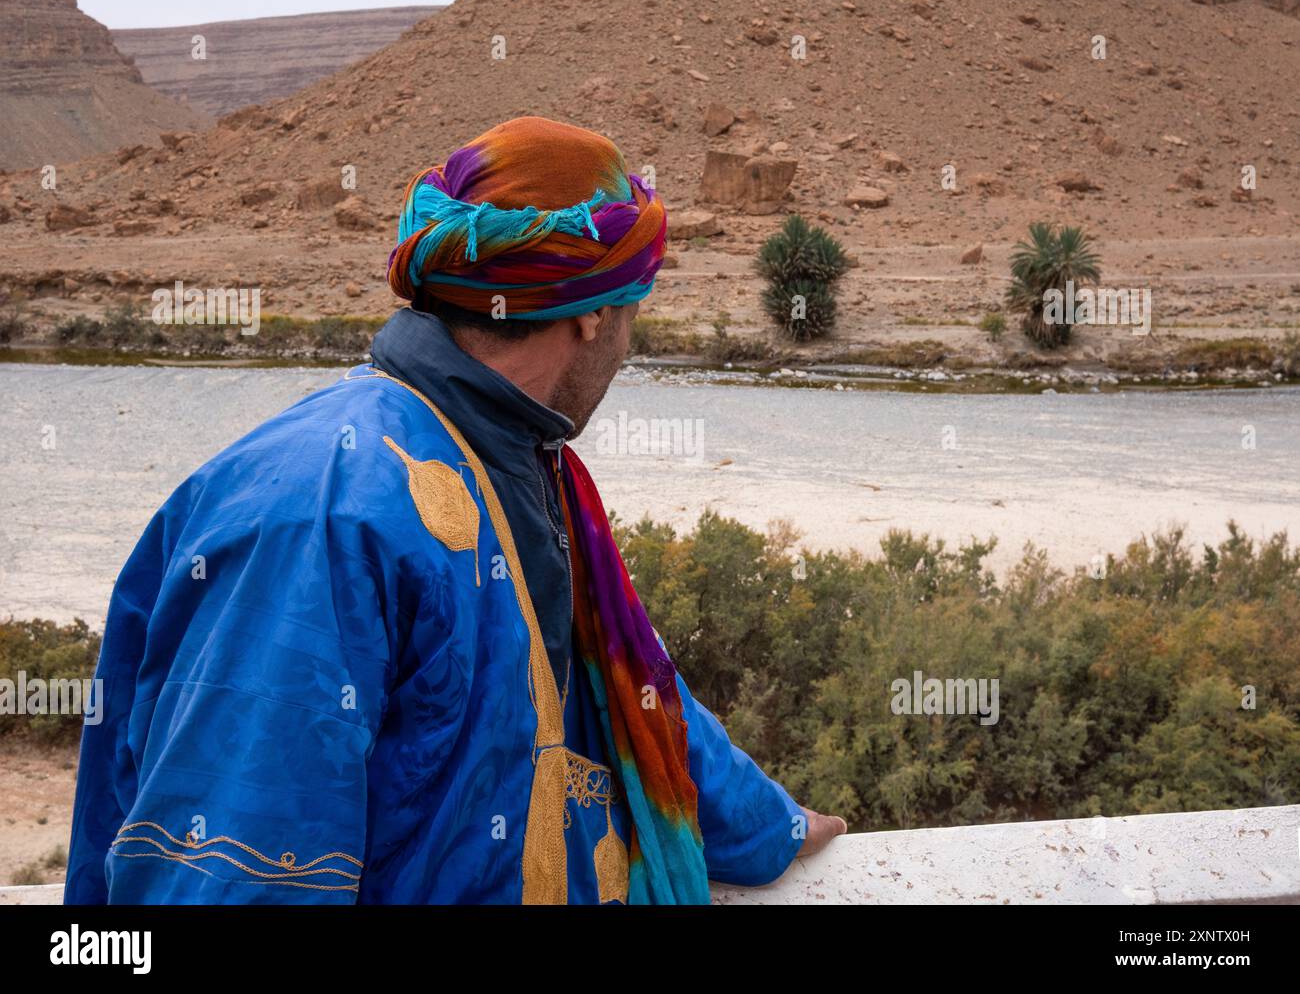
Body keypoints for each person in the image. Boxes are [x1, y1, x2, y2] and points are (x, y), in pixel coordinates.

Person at [64, 116, 846, 904]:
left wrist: (766, 824)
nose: (627, 345)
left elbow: (615, 693)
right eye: (633, 309)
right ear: (593, 314)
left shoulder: (516, 461)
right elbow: (232, 869)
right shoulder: (323, 513)